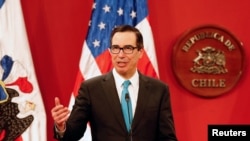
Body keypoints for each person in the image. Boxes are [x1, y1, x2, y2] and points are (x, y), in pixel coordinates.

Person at [51, 25, 178, 141]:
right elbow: (73, 134)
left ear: (140, 52)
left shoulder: (159, 90)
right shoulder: (91, 89)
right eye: (116, 48)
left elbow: (167, 137)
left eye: (128, 48)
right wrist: (61, 126)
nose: (121, 55)